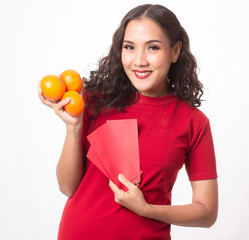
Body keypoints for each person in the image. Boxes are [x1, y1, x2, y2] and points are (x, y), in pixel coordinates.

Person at [38, 4, 218, 240]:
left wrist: (147, 209)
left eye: (153, 47)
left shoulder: (194, 122)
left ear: (175, 52)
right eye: (129, 47)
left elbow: (207, 212)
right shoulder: (93, 101)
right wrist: (74, 128)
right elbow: (67, 187)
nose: (139, 61)